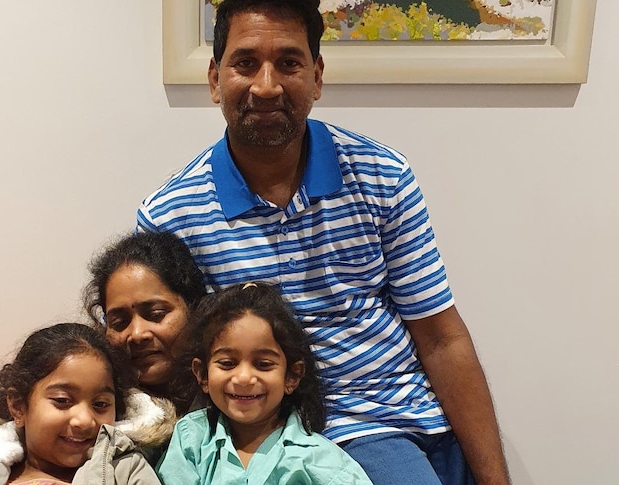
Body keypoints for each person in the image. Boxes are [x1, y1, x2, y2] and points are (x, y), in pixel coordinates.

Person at [136, 1, 511, 483]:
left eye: (288, 63)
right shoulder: (169, 216)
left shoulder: (382, 175)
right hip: (268, 432)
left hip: (396, 420)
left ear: (316, 76)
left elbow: (440, 338)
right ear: (215, 79)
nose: (266, 86)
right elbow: (166, 358)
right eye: (245, 63)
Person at [156, 283, 372, 484]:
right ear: (202, 374)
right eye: (227, 363)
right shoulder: (191, 438)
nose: (243, 378)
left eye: (263, 364)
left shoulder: (320, 459)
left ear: (291, 377)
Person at [0, 323, 161, 485]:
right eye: (63, 401)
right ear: (18, 406)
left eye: (101, 404)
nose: (84, 420)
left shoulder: (126, 470)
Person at [84, 231, 208, 418]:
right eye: (119, 322)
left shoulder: (235, 401)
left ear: (194, 309)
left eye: (155, 314)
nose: (137, 334)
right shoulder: (93, 413)